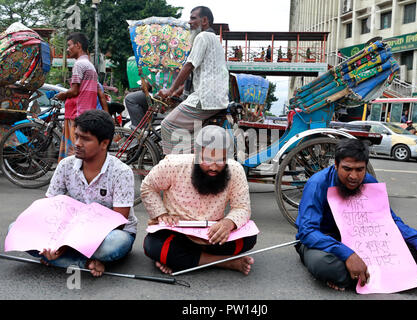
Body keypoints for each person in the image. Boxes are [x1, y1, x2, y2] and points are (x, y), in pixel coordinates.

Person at [295, 139, 417, 291]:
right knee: (324, 265)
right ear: (336, 165)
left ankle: (354, 277)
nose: (354, 176)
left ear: (365, 167)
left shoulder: (369, 182)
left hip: (363, 240)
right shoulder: (317, 184)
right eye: (347, 169)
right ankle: (375, 273)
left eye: (359, 170)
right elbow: (307, 232)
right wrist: (347, 254)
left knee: (414, 250)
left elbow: (389, 220)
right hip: (325, 242)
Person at [9, 110, 137, 277]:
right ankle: (85, 263)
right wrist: (55, 239)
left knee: (113, 244)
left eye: (85, 139)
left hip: (108, 233)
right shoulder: (66, 165)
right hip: (69, 230)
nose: (77, 143)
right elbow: (49, 208)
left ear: (104, 144)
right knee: (16, 228)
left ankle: (63, 260)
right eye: (76, 136)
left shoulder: (121, 172)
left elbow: (118, 222)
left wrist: (64, 246)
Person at [141, 126, 257, 275]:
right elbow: (148, 187)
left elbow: (242, 207)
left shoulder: (235, 170)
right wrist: (160, 214)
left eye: (220, 160)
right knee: (154, 246)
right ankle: (225, 262)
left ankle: (180, 261)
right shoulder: (174, 165)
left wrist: (228, 223)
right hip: (178, 234)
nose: (213, 167)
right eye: (207, 159)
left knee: (249, 238)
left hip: (213, 235)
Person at [157, 6, 229, 155]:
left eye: (193, 18)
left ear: (204, 20)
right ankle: (191, 154)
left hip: (205, 99)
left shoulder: (202, 37)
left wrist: (169, 90)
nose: (189, 22)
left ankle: (173, 164)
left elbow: (189, 65)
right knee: (185, 132)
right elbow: (198, 76)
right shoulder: (214, 40)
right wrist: (176, 92)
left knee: (167, 125)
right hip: (216, 98)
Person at [55, 33, 101, 161]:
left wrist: (62, 95)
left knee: (74, 153)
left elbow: (74, 91)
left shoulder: (79, 65)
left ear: (78, 45)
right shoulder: (90, 65)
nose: (68, 49)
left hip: (76, 113)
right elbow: (98, 93)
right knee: (81, 152)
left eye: (69, 45)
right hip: (85, 113)